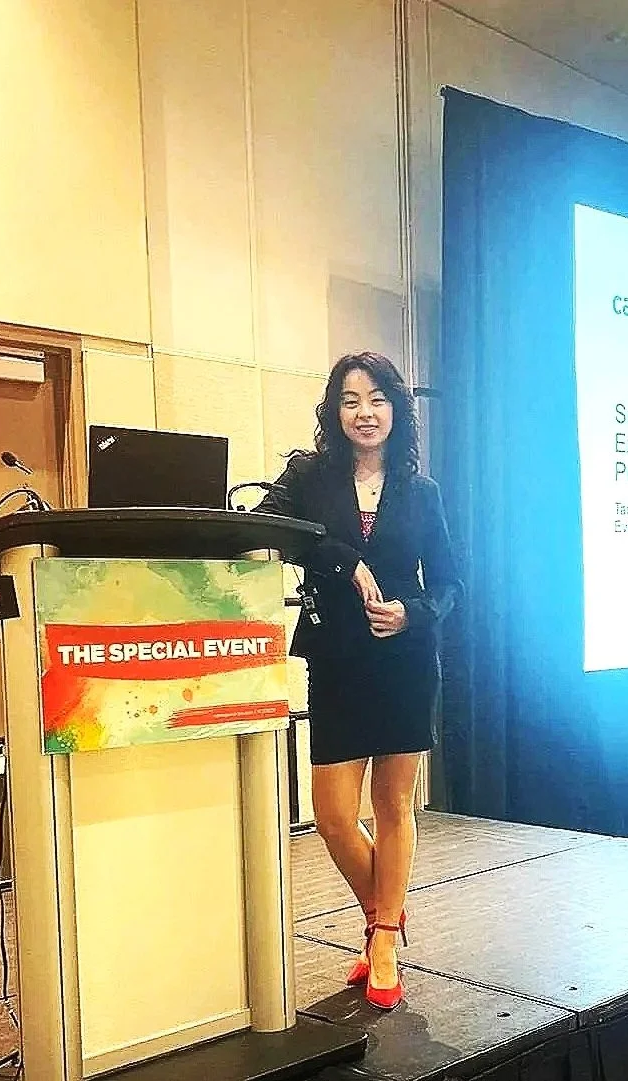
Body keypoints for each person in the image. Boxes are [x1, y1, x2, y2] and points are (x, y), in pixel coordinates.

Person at [257, 352, 460, 1010]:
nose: (364, 412)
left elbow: (452, 583)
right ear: (333, 410)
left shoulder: (421, 491)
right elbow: (272, 527)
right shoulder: (308, 476)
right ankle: (387, 919)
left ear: (396, 409)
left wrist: (412, 611)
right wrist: (342, 560)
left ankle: (381, 943)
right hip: (339, 660)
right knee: (334, 815)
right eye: (350, 400)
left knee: (393, 807)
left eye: (376, 399)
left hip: (404, 660)